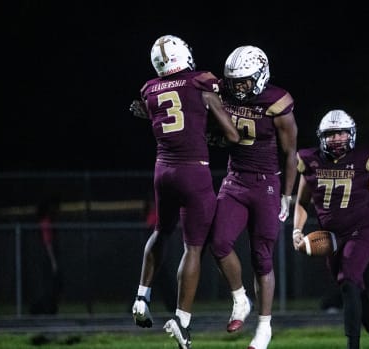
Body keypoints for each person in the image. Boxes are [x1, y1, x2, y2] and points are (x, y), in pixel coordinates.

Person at [129, 34, 240, 349]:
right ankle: (182, 321)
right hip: (194, 170)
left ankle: (141, 297)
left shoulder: (149, 89)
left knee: (161, 231)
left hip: (162, 171)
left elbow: (166, 116)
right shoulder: (200, 82)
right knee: (193, 248)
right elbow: (231, 134)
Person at [291, 109, 369, 349]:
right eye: (331, 134)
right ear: (321, 137)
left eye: (341, 133)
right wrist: (297, 230)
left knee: (348, 280)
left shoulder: (366, 159)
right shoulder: (310, 160)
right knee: (353, 287)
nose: (336, 138)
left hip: (360, 231)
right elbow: (302, 202)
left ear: (352, 135)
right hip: (331, 237)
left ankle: (353, 345)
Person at [208, 45, 298, 349]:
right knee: (218, 242)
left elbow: (290, 152)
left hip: (266, 185)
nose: (238, 86)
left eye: (244, 80)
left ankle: (264, 326)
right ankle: (240, 299)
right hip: (235, 180)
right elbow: (198, 86)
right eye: (234, 81)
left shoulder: (277, 102)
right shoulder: (226, 90)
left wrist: (288, 194)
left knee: (262, 258)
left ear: (260, 76)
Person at [30, 199, 62, 315]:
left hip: (44, 258)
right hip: (46, 258)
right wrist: (53, 261)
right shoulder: (45, 223)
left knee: (50, 286)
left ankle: (48, 309)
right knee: (48, 286)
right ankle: (44, 310)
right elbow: (47, 242)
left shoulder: (46, 222)